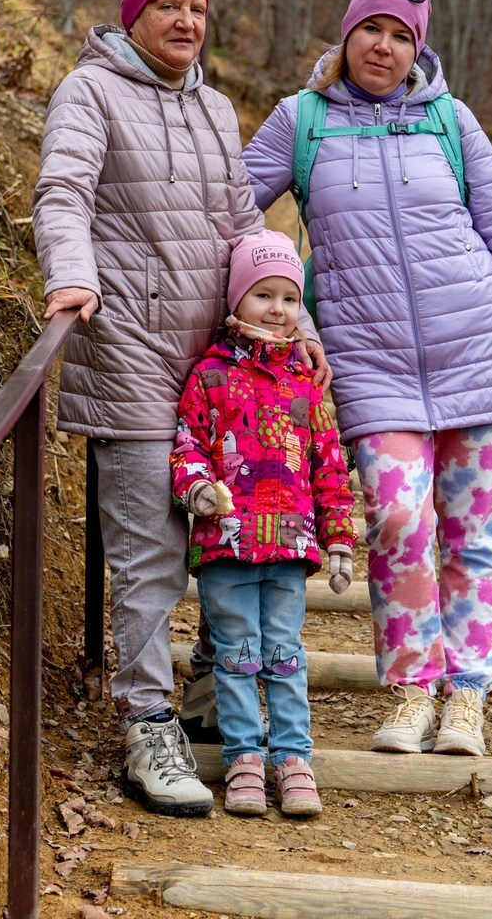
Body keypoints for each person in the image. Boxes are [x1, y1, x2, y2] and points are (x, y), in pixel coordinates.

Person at [31, 0, 328, 817]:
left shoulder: (212, 107)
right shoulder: (89, 91)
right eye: (169, 5)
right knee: (151, 555)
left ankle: (205, 690)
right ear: (135, 13)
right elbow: (63, 192)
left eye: (197, 8)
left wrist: (295, 325)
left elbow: (245, 225)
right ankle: (149, 721)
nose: (187, 22)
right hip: (127, 355)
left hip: (220, 376)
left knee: (229, 541)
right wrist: (69, 274)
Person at [241, 0, 492, 758]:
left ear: (416, 47)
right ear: (346, 35)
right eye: (370, 30)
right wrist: (291, 303)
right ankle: (413, 688)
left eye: (399, 35)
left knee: (474, 536)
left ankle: (467, 697)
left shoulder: (451, 121)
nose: (382, 46)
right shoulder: (302, 122)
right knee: (395, 518)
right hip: (368, 363)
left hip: (477, 353)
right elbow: (228, 217)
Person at [170, 230, 357, 817]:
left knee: (284, 651)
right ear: (236, 300)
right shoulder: (209, 376)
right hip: (227, 542)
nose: (277, 310)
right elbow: (188, 446)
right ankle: (244, 756)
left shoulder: (304, 381)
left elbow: (328, 463)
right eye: (263, 295)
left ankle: (292, 756)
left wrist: (340, 539)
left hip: (290, 547)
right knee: (235, 651)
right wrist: (197, 488)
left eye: (288, 298)